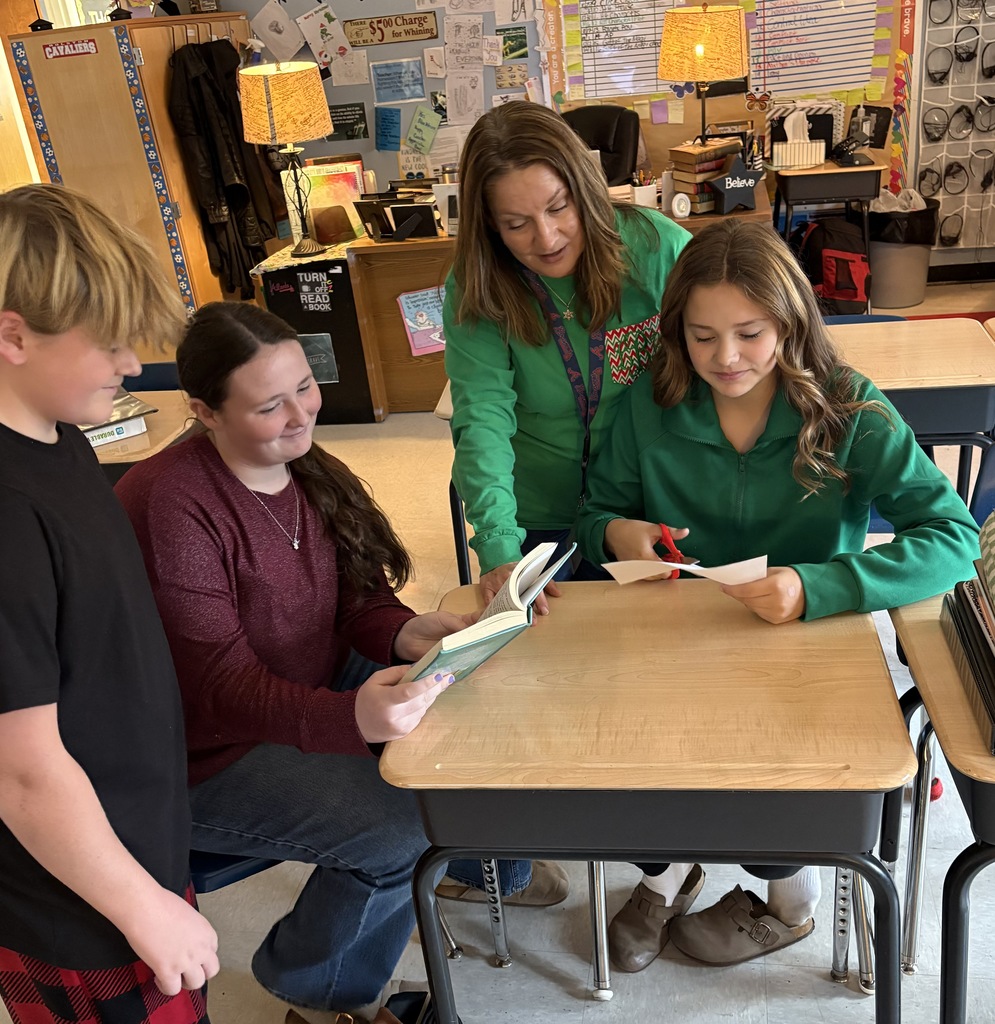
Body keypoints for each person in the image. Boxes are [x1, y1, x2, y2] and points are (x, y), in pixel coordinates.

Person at [577, 219, 980, 973]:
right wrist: (617, 534)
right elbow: (594, 513)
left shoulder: (843, 406)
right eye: (700, 337)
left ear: (791, 324)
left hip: (804, 649)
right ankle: (663, 876)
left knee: (776, 791)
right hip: (674, 635)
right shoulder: (648, 404)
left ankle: (788, 905)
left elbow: (951, 538)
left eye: (749, 334)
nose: (724, 359)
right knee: (631, 762)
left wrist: (818, 584)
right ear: (676, 332)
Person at [115, 301, 471, 1022]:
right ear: (204, 413)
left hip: (299, 679)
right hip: (207, 749)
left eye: (304, 388)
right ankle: (315, 990)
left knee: (463, 713)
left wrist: (410, 632)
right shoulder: (170, 504)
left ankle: (473, 863)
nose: (300, 416)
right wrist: (350, 717)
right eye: (268, 406)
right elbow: (223, 690)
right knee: (396, 827)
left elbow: (356, 602)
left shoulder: (303, 461)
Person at [442, 101, 691, 907]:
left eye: (557, 210)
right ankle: (536, 846)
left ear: (586, 189)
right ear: (485, 227)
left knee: (655, 678)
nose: (545, 239)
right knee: (556, 685)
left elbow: (726, 359)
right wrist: (501, 550)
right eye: (515, 224)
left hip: (645, 504)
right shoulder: (476, 290)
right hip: (541, 510)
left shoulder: (655, 249)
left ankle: (660, 858)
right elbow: (482, 422)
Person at [0, 184, 218, 1023]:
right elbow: (21, 771)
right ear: (14, 334)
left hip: (134, 832)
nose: (134, 363)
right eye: (112, 342)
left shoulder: (59, 437)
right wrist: (139, 904)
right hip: (78, 904)